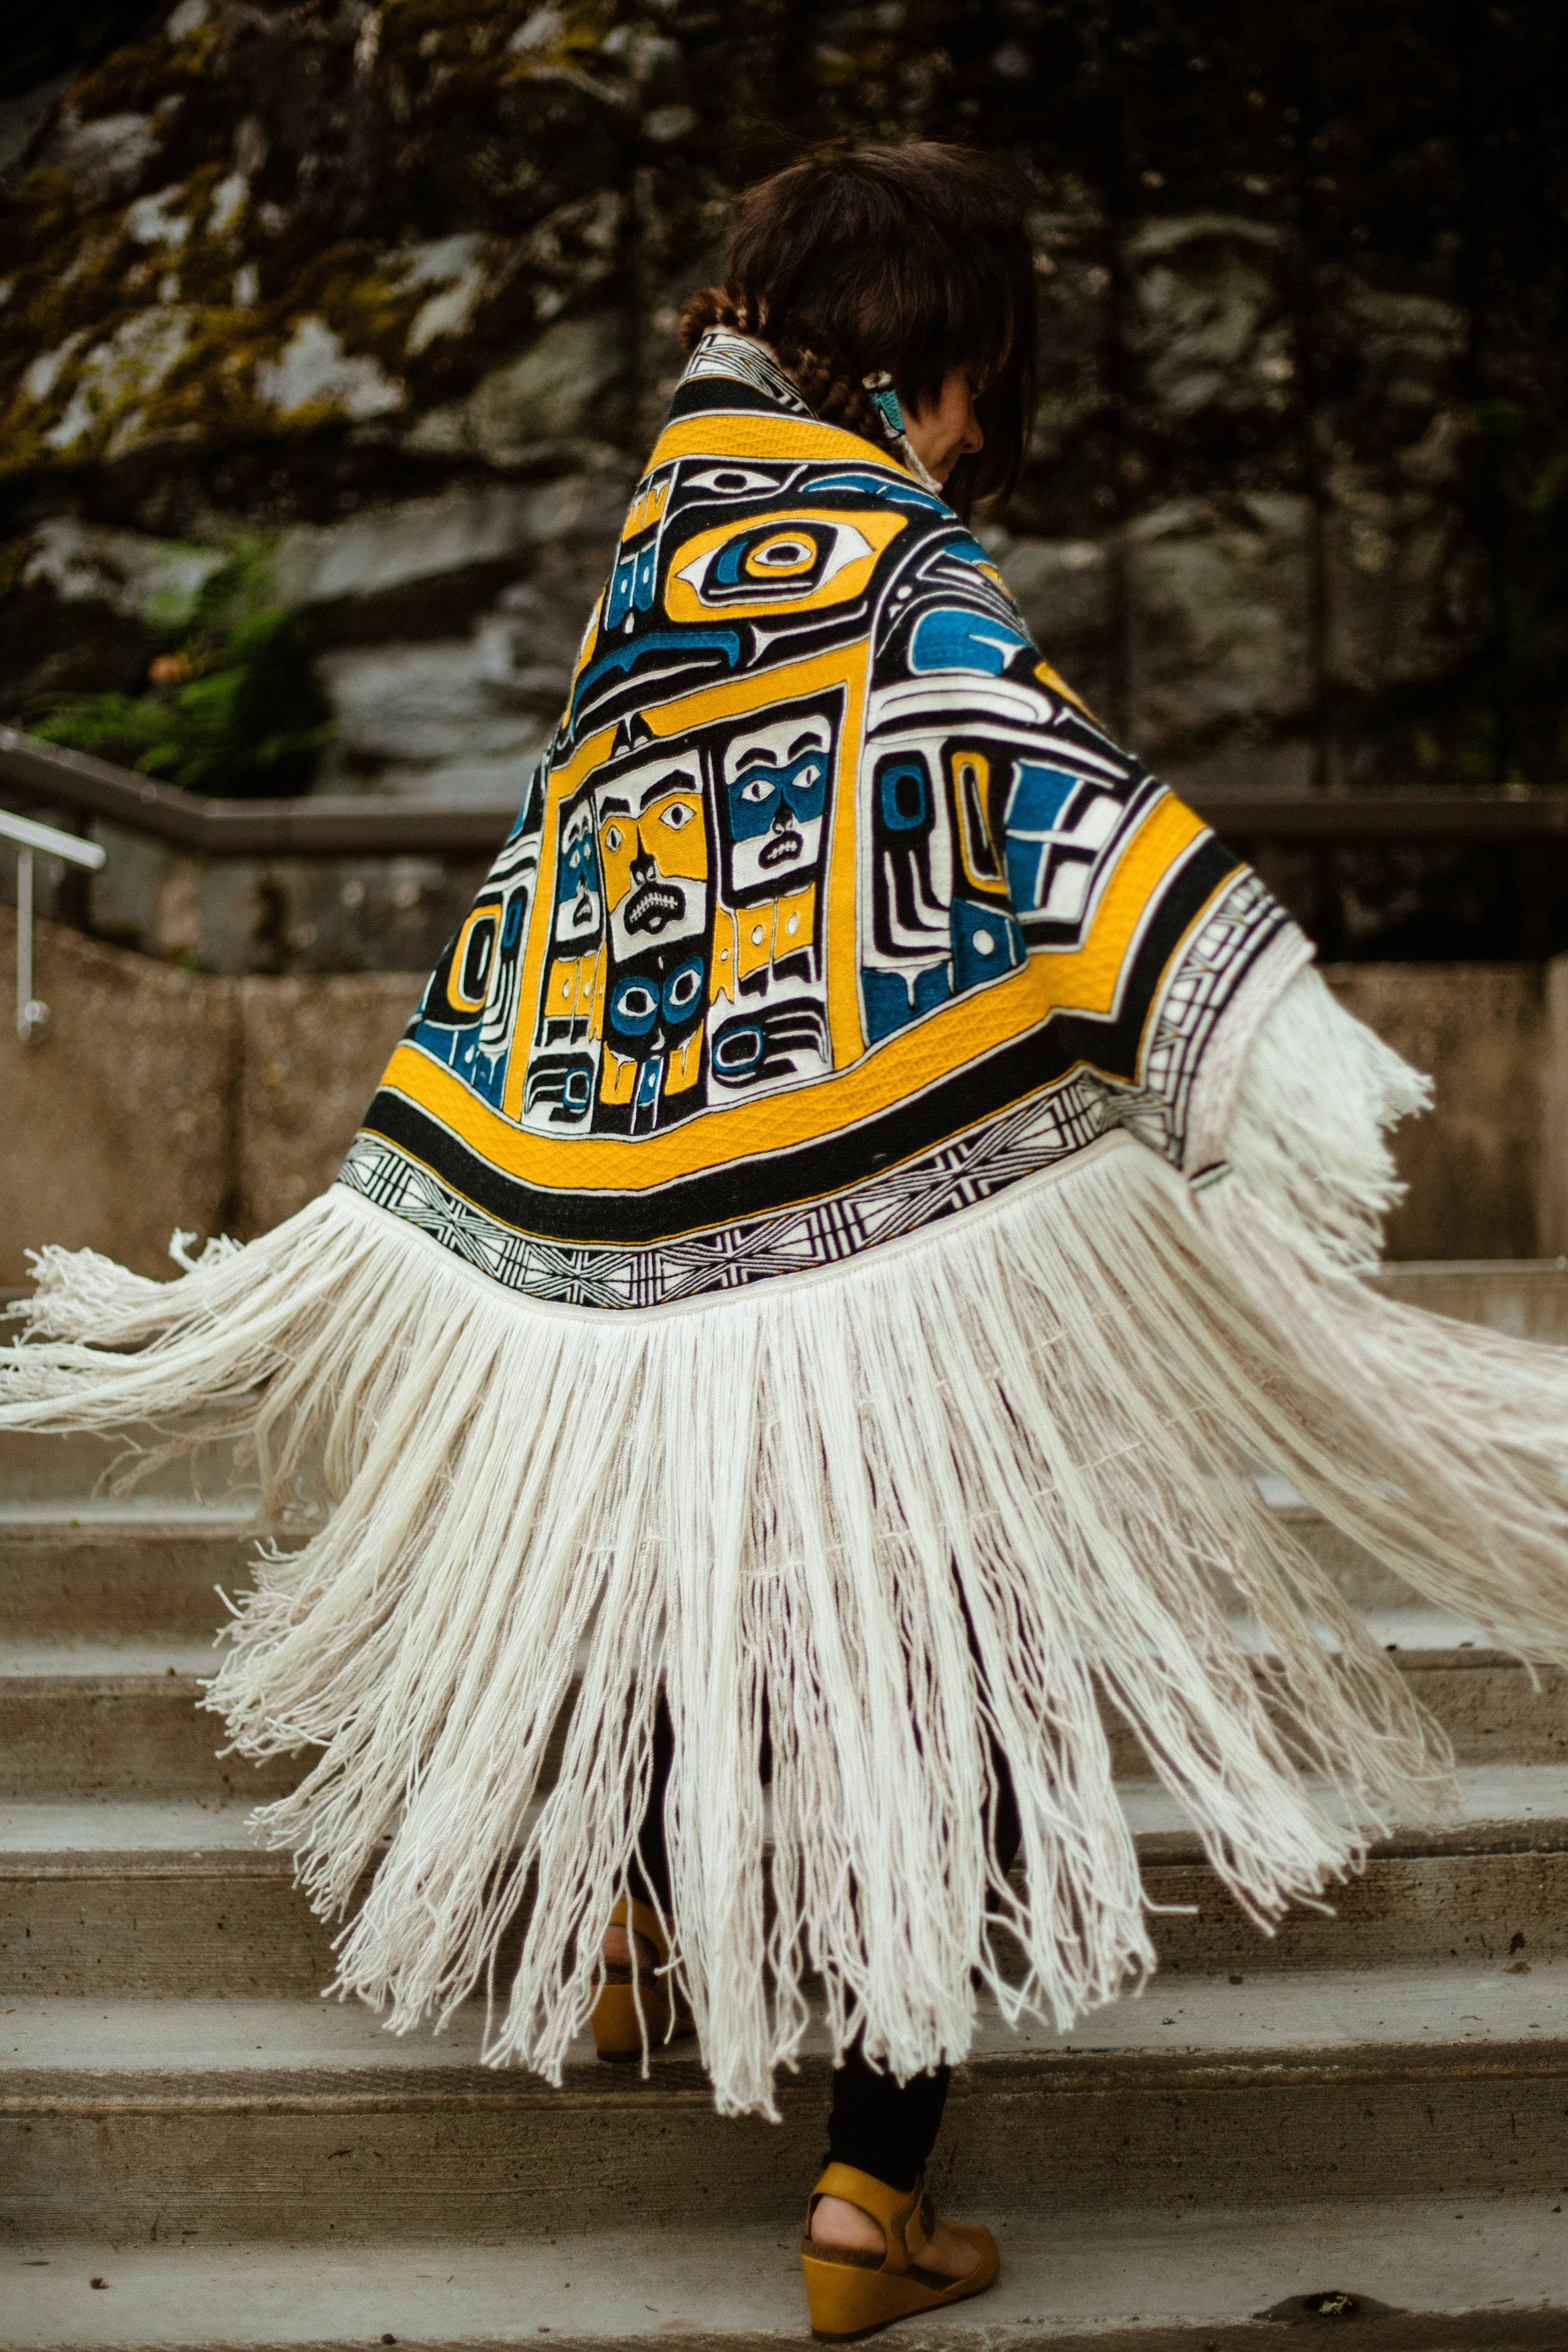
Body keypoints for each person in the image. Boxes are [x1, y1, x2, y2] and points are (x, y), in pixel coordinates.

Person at [8, 142, 1568, 2342]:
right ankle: (865, 2201)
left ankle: (641, 1927)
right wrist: (1256, 1027)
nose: (968, 446)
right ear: (932, 357)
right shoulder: (881, 545)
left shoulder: (662, 540)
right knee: (967, 1673)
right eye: (972, 394)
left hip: (645, 1229)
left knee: (686, 1581)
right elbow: (1021, 767)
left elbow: (570, 847)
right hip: (886, 1262)